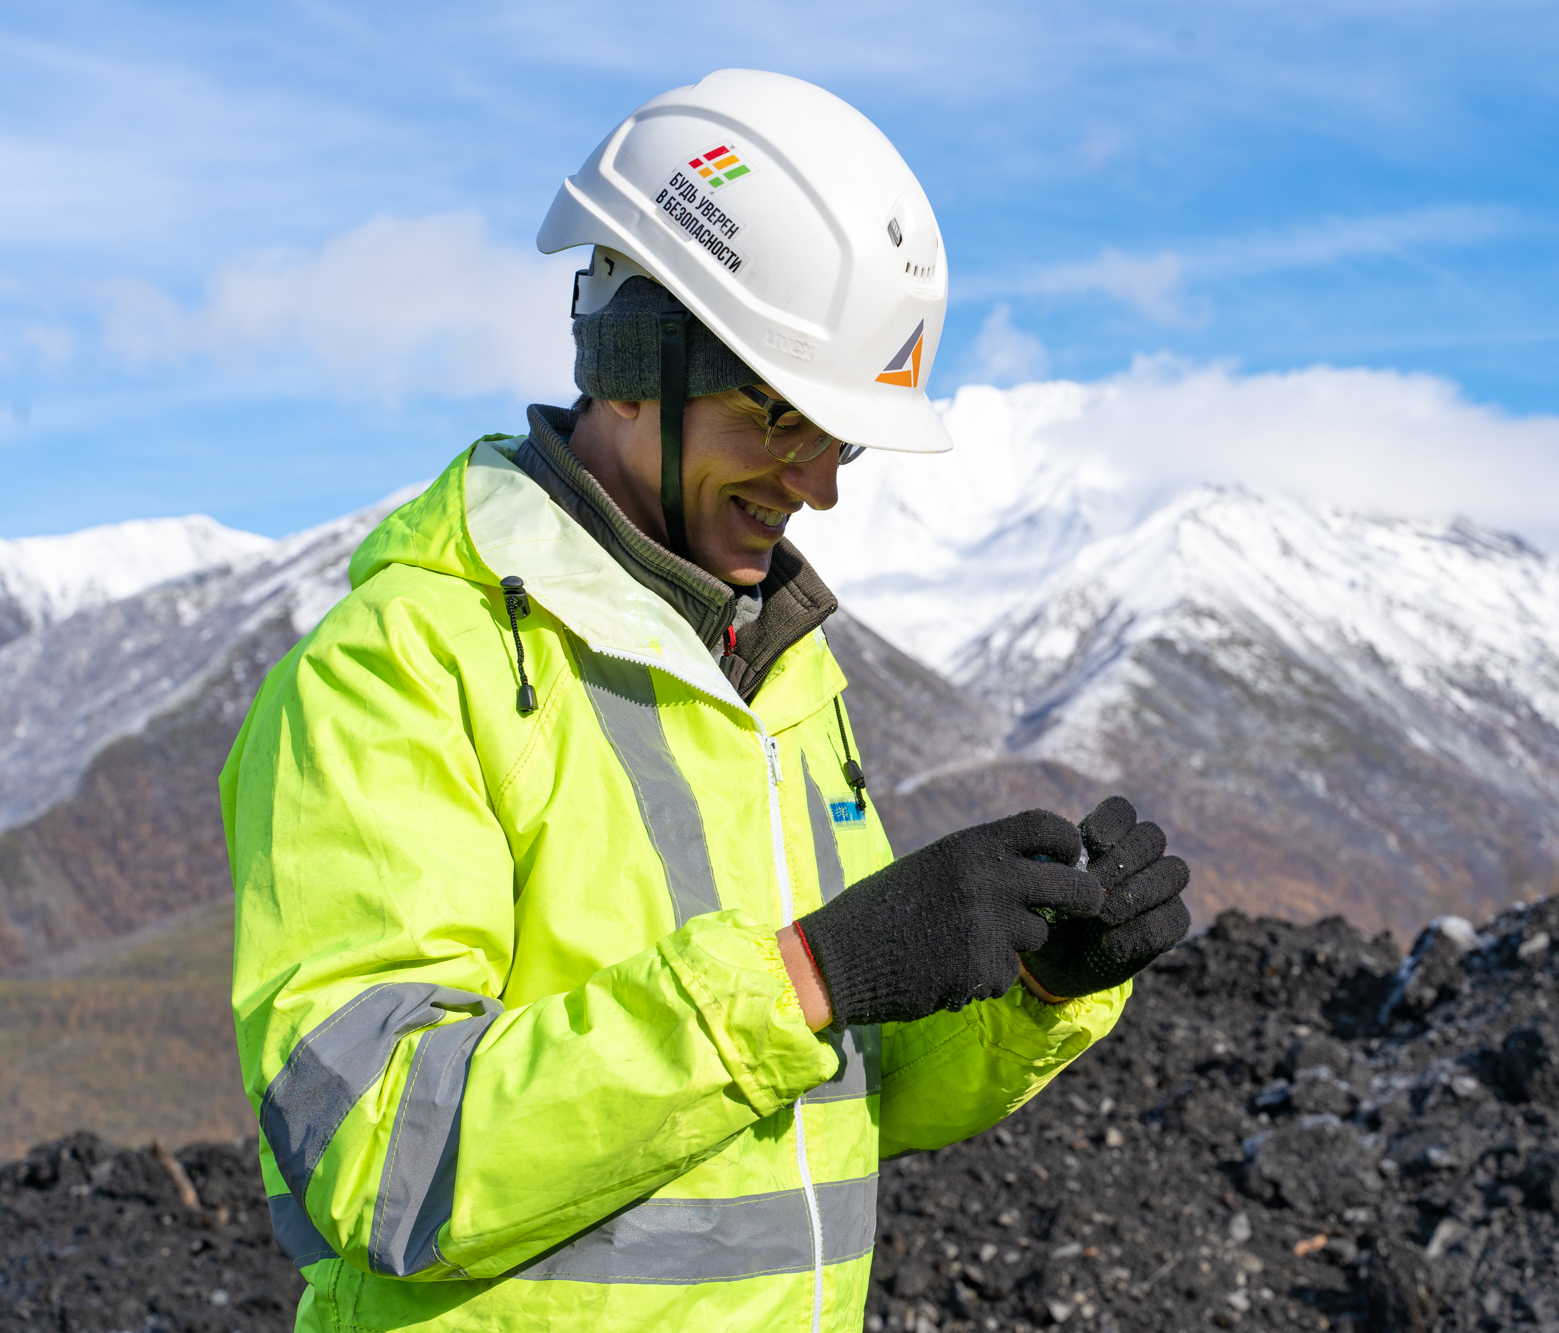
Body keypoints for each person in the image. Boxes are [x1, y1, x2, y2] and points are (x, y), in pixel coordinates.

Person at [220, 69, 1191, 1331]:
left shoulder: (777, 676)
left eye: (836, 439)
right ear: (633, 362)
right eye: (780, 419)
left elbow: (848, 1092)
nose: (818, 487)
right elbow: (372, 1158)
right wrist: (809, 970)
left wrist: (1040, 989)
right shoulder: (401, 668)